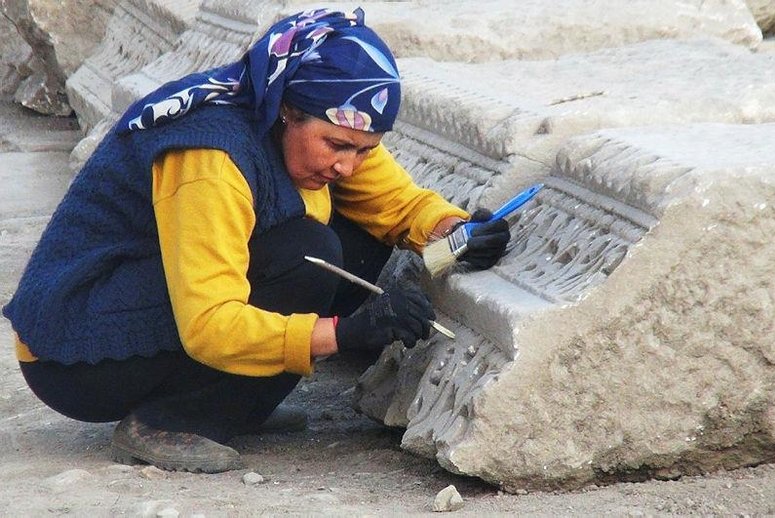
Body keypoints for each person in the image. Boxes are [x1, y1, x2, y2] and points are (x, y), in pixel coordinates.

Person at [2, 8, 510, 473]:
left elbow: (397, 205)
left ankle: (237, 402)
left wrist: (455, 231)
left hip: (146, 306)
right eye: (337, 146)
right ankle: (170, 418)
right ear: (289, 110)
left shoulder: (319, 118)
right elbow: (208, 324)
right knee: (311, 256)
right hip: (76, 352)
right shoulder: (211, 158)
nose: (347, 165)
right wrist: (346, 334)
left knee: (358, 243)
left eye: (363, 150)